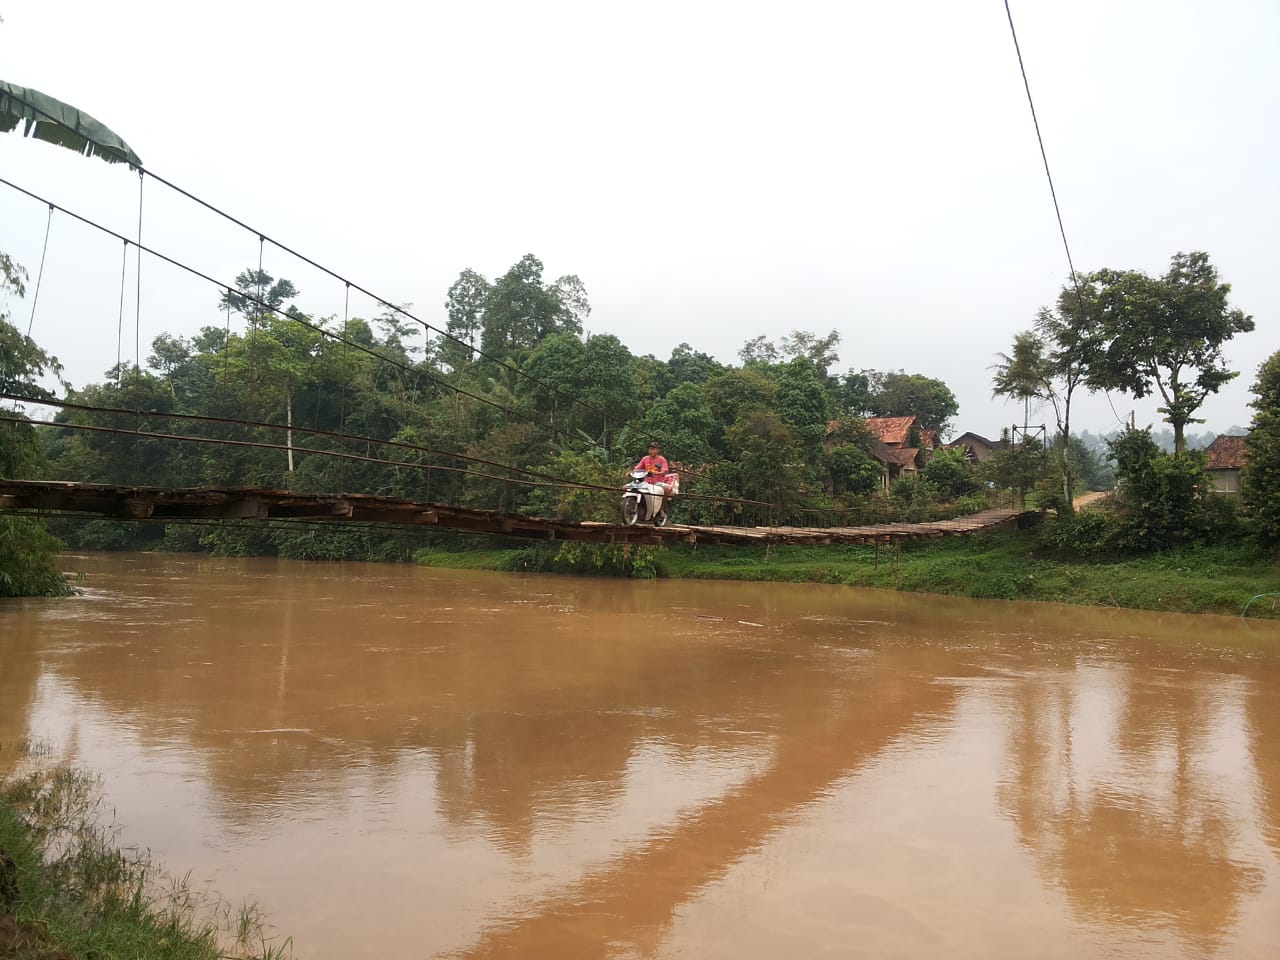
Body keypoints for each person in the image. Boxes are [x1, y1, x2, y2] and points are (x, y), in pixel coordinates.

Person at [634, 441, 676, 520]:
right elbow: (637, 468)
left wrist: (659, 472)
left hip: (658, 482)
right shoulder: (645, 459)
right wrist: (631, 472)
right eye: (650, 449)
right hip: (646, 482)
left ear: (657, 450)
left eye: (653, 449)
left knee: (667, 490)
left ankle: (661, 509)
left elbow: (664, 470)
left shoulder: (662, 459)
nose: (651, 451)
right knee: (630, 488)